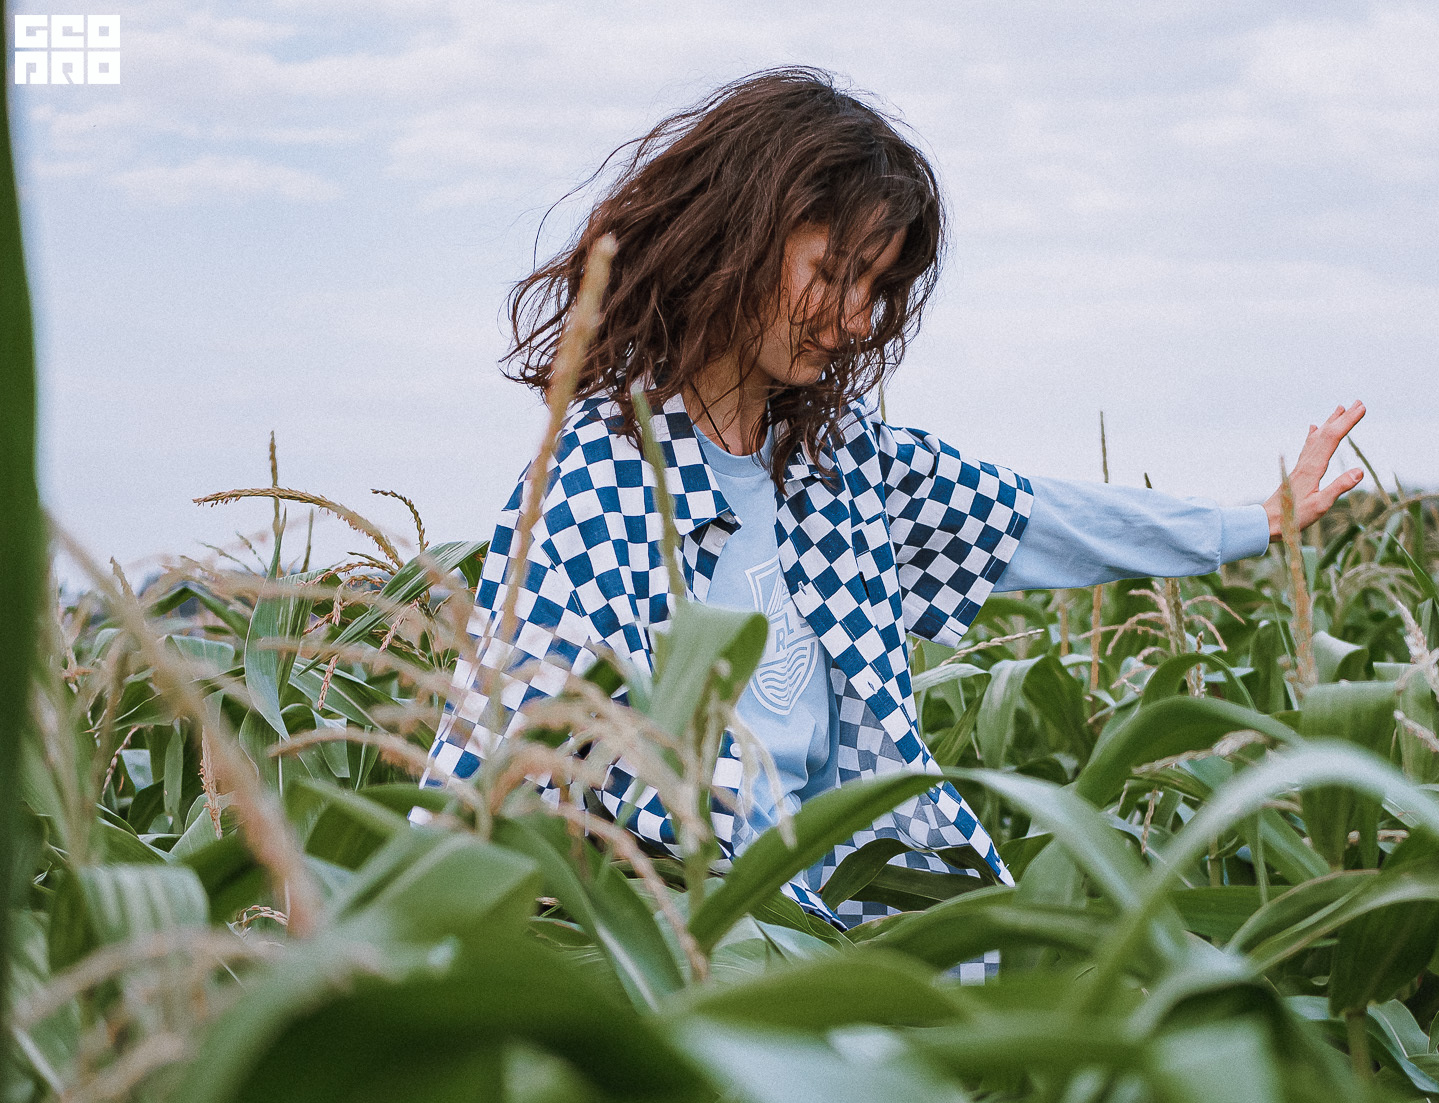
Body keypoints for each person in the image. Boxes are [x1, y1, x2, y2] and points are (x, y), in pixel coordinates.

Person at [426, 68, 1366, 929]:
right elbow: (495, 752)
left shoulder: (841, 468)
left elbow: (1039, 518)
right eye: (833, 273)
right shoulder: (602, 470)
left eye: (876, 286)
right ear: (737, 240)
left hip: (850, 919)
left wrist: (1257, 522)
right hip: (692, 936)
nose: (855, 319)